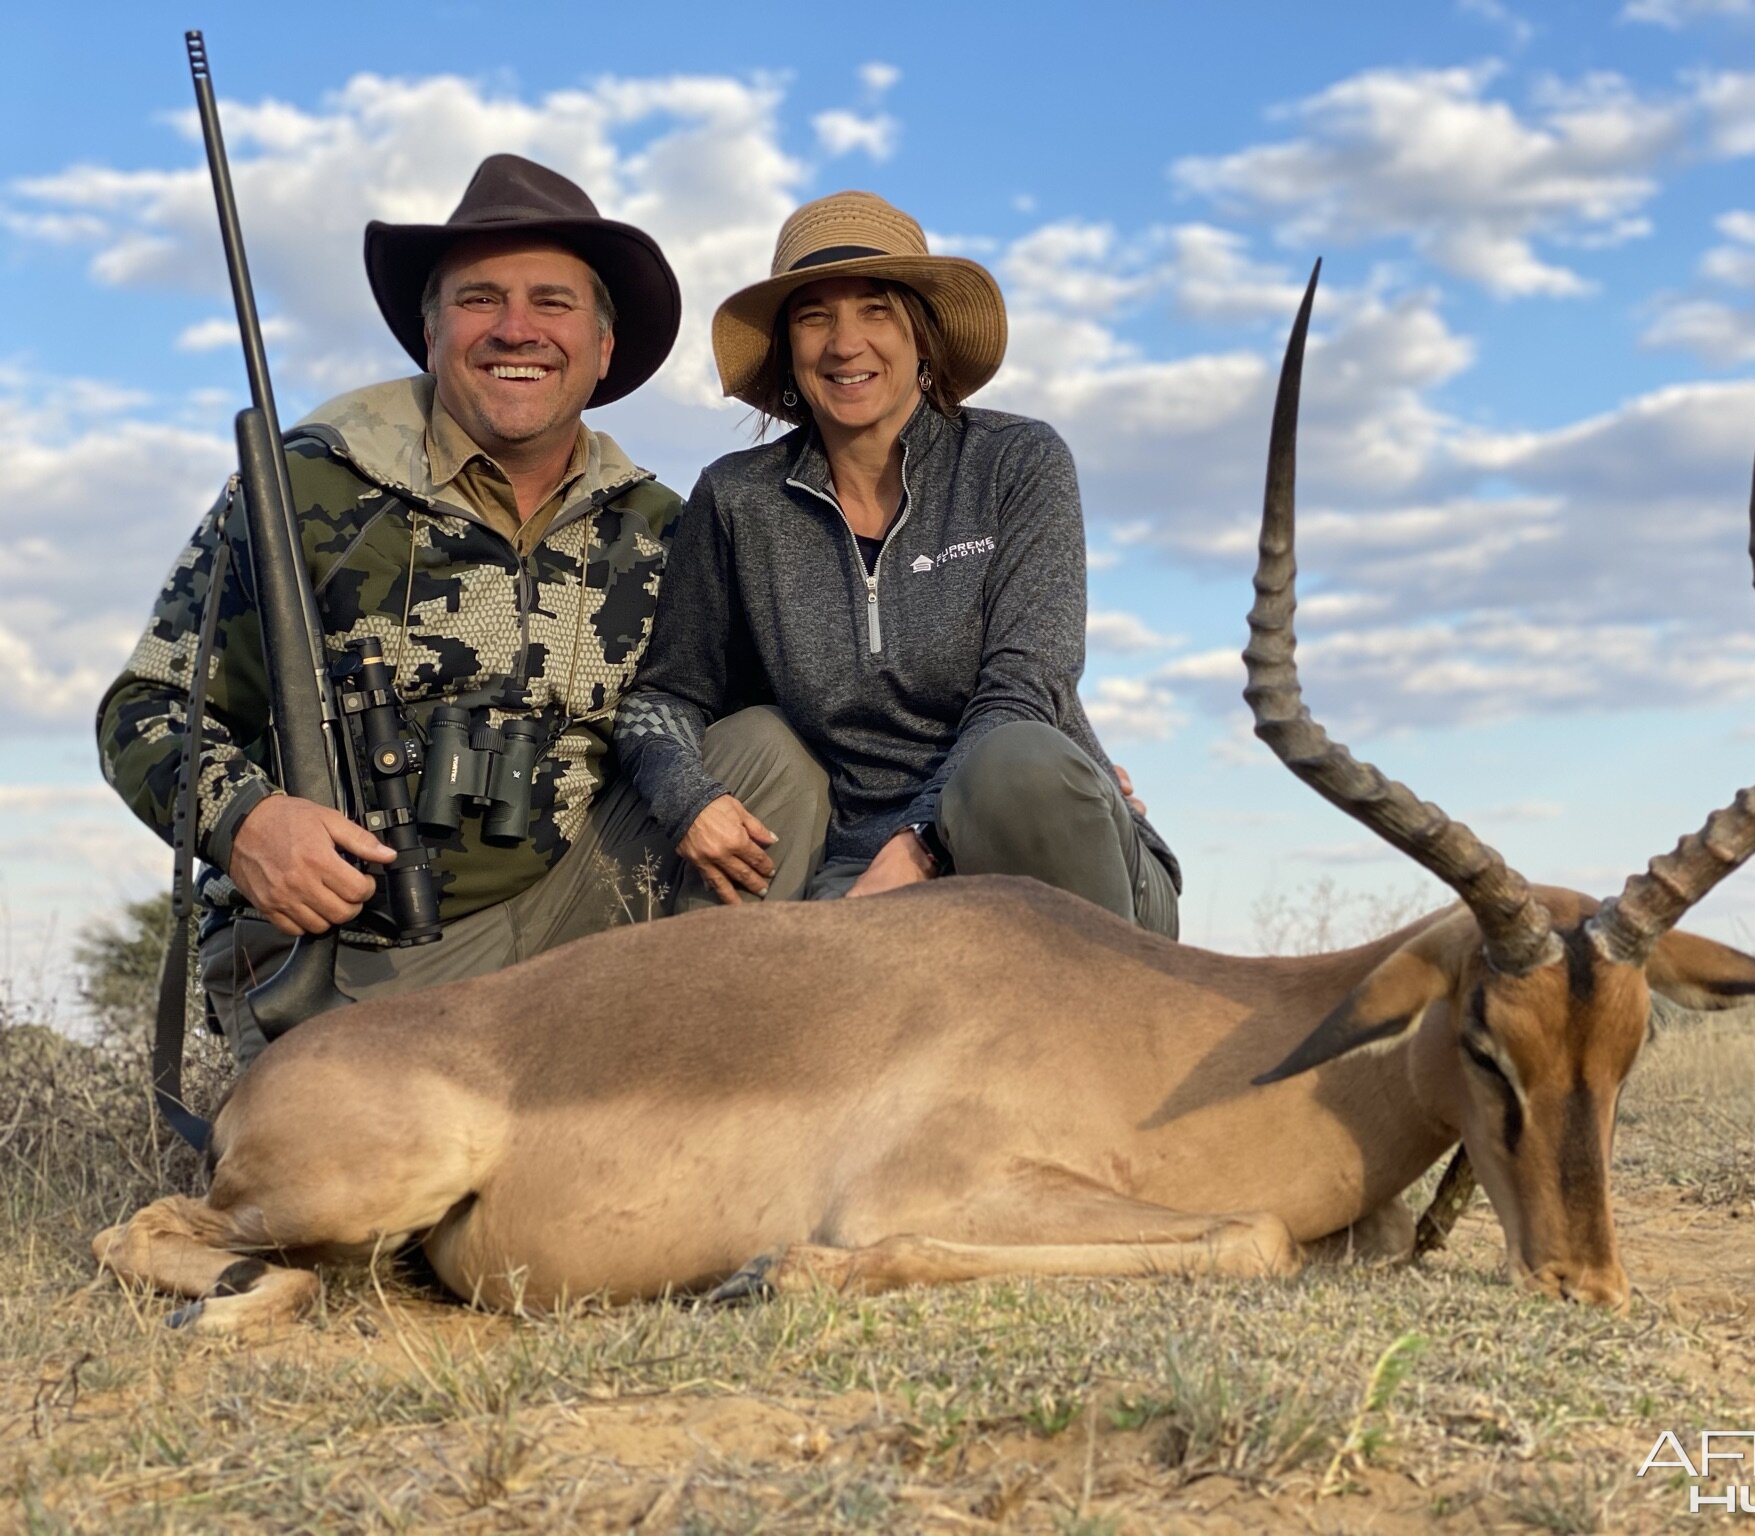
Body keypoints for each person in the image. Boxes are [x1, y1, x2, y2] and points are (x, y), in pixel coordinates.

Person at [98, 155, 819, 1066]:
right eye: (480, 300)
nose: (517, 329)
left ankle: (681, 1094)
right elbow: (143, 711)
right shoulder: (304, 487)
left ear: (601, 349)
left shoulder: (662, 526)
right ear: (429, 335)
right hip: (364, 950)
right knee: (368, 1204)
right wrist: (246, 823)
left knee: (771, 758)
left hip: (574, 929)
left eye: (552, 302)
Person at [616, 190, 1179, 933]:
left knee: (1020, 765)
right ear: (788, 348)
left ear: (923, 334)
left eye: (876, 309)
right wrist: (687, 797)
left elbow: (1026, 683)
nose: (846, 343)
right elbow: (671, 693)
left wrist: (920, 843)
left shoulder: (1018, 462)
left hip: (1040, 841)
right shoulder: (737, 500)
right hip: (858, 867)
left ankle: (1120, 1026)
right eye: (814, 316)